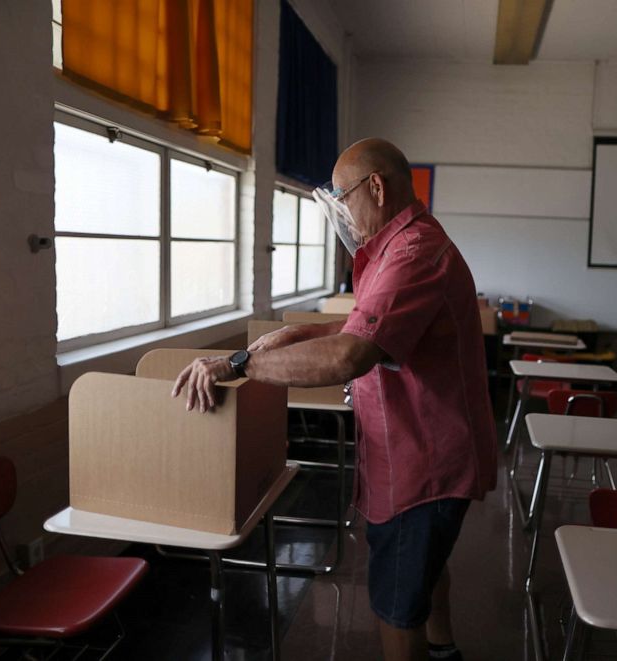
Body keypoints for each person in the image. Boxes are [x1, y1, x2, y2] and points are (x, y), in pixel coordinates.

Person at [172, 138, 497, 661]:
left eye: (343, 198)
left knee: (396, 604)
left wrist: (238, 364)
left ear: (376, 186)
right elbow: (364, 322)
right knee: (425, 569)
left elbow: (350, 355)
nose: (342, 212)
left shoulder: (412, 253)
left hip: (424, 463)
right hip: (421, 451)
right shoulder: (402, 244)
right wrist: (290, 337)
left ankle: (431, 650)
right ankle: (445, 651)